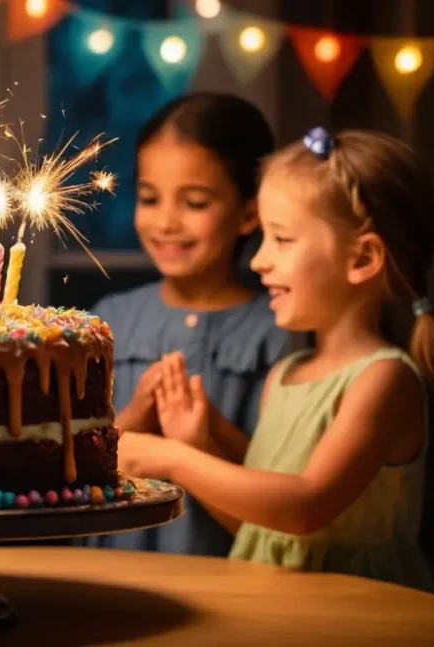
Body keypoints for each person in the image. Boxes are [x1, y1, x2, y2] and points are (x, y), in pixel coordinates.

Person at [119, 127, 434, 591]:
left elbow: (305, 508)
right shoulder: (286, 375)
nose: (258, 261)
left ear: (363, 258)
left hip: (361, 619)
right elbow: (263, 525)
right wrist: (202, 441)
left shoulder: (384, 380)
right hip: (276, 608)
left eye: (282, 240)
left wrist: (172, 459)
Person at [85, 93, 288, 556]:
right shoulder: (110, 320)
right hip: (108, 572)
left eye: (195, 202)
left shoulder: (276, 331)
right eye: (150, 198)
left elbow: (280, 493)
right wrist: (128, 422)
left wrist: (203, 441)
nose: (167, 221)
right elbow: (68, 473)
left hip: (225, 578)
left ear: (248, 213)